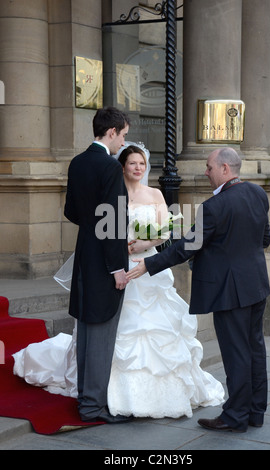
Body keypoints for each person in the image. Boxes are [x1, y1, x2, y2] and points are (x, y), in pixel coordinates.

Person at [13, 143, 225, 420]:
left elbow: (167, 232)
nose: (138, 168)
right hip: (113, 267)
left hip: (146, 266)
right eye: (132, 163)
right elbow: (101, 228)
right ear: (122, 166)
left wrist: (143, 244)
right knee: (110, 330)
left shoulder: (155, 193)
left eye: (142, 164)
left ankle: (147, 395)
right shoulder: (114, 191)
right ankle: (106, 393)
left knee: (153, 331)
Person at [127, 147, 270, 432]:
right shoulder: (258, 194)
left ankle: (235, 416)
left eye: (209, 167)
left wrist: (149, 265)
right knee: (255, 348)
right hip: (256, 284)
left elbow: (187, 247)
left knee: (236, 353)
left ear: (225, 169)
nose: (205, 172)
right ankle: (255, 412)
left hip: (230, 291)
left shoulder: (214, 207)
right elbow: (264, 239)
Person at [61, 106, 131, 424]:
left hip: (84, 253)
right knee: (101, 331)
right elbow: (114, 221)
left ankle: (85, 399)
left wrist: (90, 224)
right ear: (112, 132)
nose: (123, 143)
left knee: (87, 329)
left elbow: (71, 212)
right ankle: (92, 406)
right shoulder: (110, 167)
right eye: (123, 136)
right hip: (105, 260)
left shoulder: (77, 163)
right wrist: (118, 267)